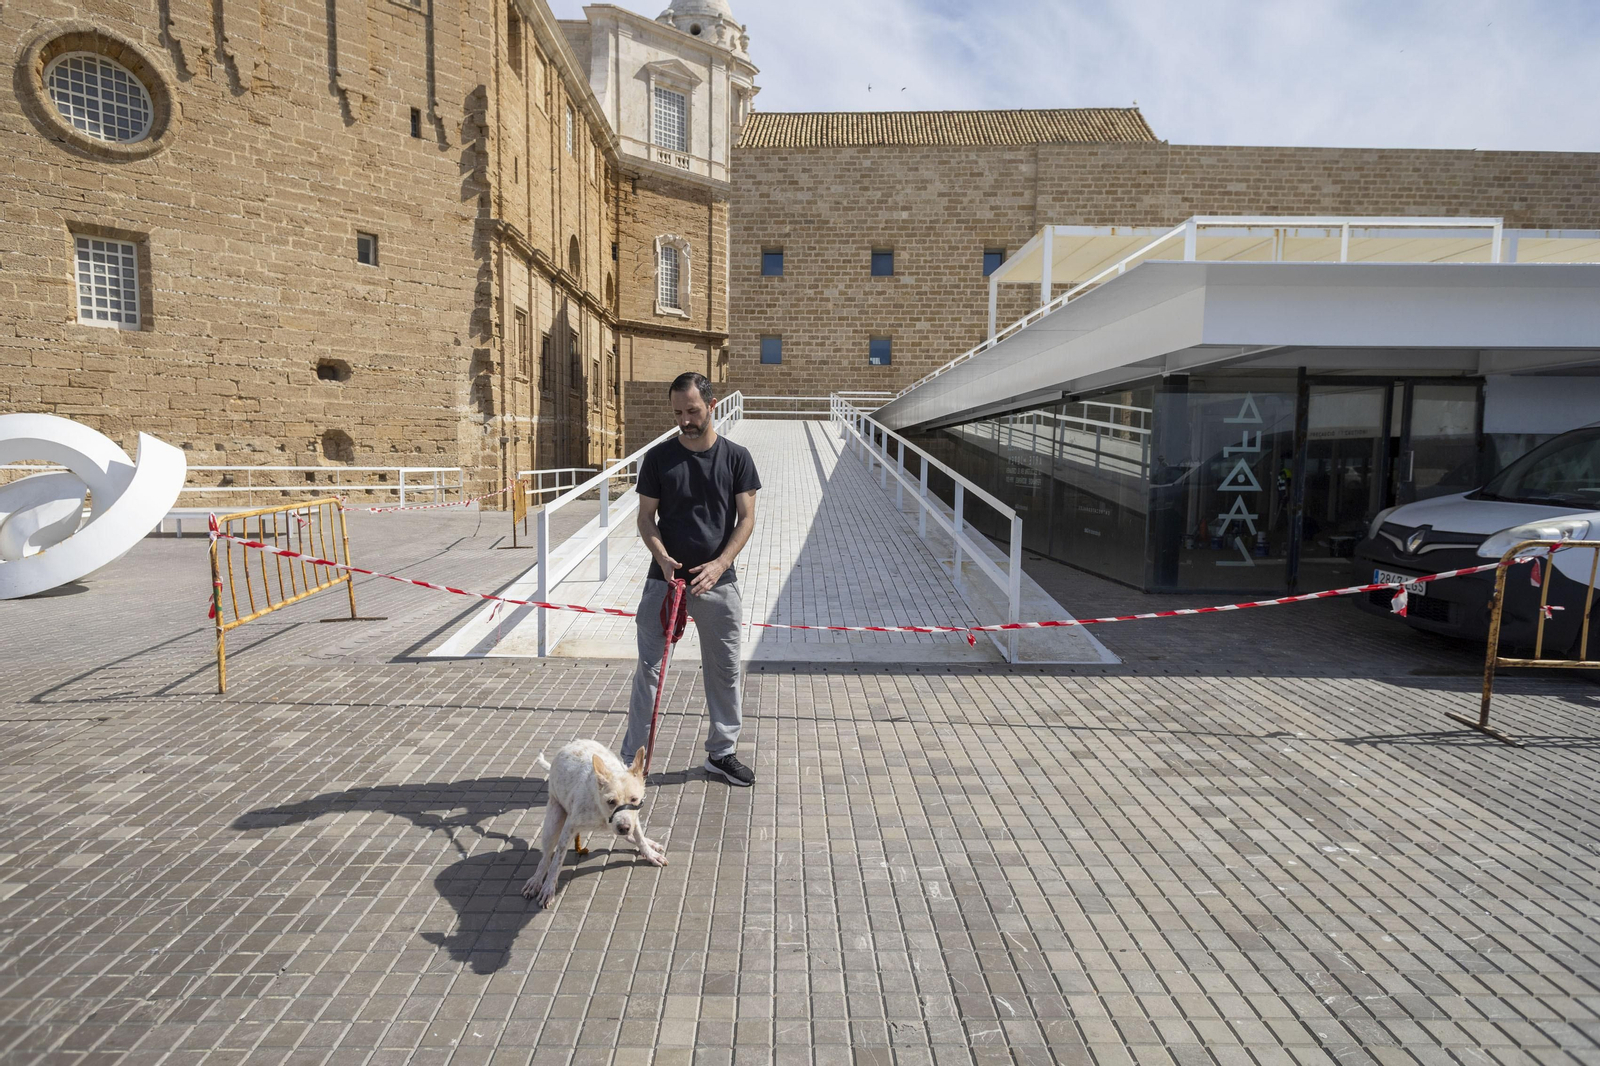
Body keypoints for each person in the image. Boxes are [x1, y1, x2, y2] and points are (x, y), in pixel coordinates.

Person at [619, 373, 761, 786]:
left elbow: (747, 519)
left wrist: (720, 564)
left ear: (712, 405)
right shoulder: (660, 459)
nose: (685, 420)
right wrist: (661, 556)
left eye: (693, 411)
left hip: (719, 581)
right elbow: (646, 518)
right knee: (648, 670)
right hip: (664, 582)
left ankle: (721, 754)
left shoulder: (737, 458)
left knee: (725, 669)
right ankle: (632, 762)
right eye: (678, 412)